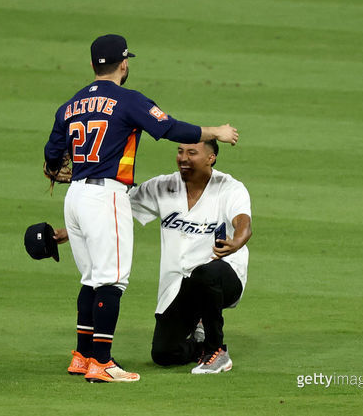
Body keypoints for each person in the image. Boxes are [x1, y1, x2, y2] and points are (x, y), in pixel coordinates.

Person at [44, 34, 239, 383]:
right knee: (111, 281)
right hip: (105, 195)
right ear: (123, 64)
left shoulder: (69, 106)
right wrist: (216, 131)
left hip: (74, 196)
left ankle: (82, 355)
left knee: (91, 279)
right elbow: (168, 127)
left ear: (93, 66)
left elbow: (51, 159)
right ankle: (101, 362)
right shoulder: (127, 100)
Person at [128, 140, 252, 374]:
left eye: (192, 153)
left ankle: (216, 352)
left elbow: (243, 223)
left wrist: (237, 241)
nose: (183, 157)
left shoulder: (230, 188)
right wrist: (69, 231)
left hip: (224, 277)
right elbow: (118, 208)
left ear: (211, 158)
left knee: (206, 272)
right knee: (164, 353)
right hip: (178, 285)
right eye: (180, 151)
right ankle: (200, 343)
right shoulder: (163, 186)